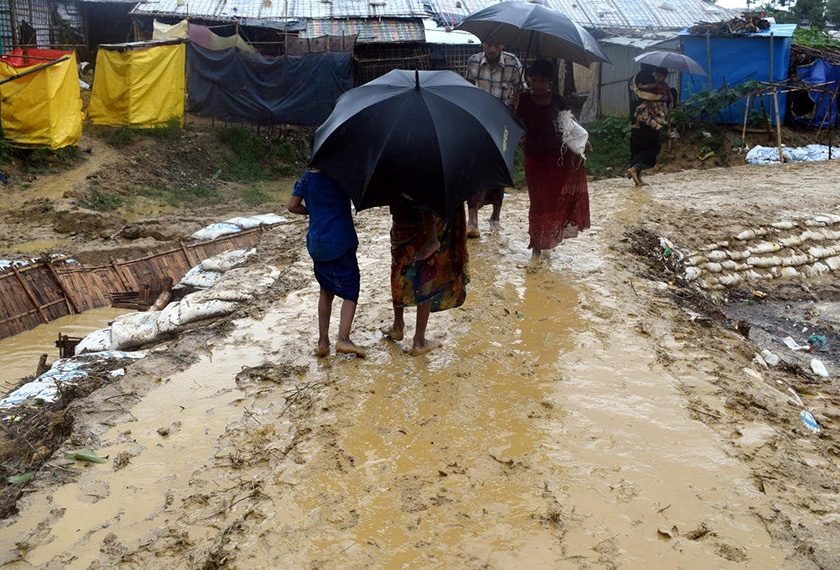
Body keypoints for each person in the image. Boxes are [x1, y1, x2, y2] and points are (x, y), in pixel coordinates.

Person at [515, 59, 591, 263]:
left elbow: (570, 125)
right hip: (534, 159)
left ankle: (547, 239)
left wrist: (584, 141)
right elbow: (515, 123)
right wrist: (514, 105)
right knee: (537, 202)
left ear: (550, 82)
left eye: (542, 81)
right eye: (534, 80)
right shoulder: (523, 100)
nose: (537, 85)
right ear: (529, 79)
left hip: (558, 160)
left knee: (553, 201)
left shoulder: (558, 101)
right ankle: (536, 246)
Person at [287, 169, 366, 358]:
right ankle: (343, 338)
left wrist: (312, 211)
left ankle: (323, 342)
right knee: (351, 290)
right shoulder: (343, 176)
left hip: (318, 244)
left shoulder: (306, 179)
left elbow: (292, 206)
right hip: (341, 241)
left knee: (325, 291)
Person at [380, 202, 469, 355]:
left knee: (399, 271)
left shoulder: (389, 184)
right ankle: (419, 340)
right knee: (426, 275)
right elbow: (426, 202)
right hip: (425, 226)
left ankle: (398, 325)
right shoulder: (425, 186)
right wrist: (433, 238)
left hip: (400, 222)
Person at [465, 42, 526, 238]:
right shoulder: (474, 62)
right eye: (488, 45)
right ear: (483, 43)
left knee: (501, 168)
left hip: (503, 124)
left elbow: (522, 92)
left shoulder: (513, 63)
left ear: (503, 44)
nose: (492, 49)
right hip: (478, 123)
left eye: (496, 45)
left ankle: (495, 217)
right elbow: (467, 90)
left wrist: (518, 101)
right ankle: (472, 219)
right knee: (475, 170)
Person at [627, 96, 667, 187]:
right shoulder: (653, 109)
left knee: (638, 152)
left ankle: (638, 178)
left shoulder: (640, 107)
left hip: (637, 133)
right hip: (650, 133)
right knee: (652, 151)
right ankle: (634, 168)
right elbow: (658, 121)